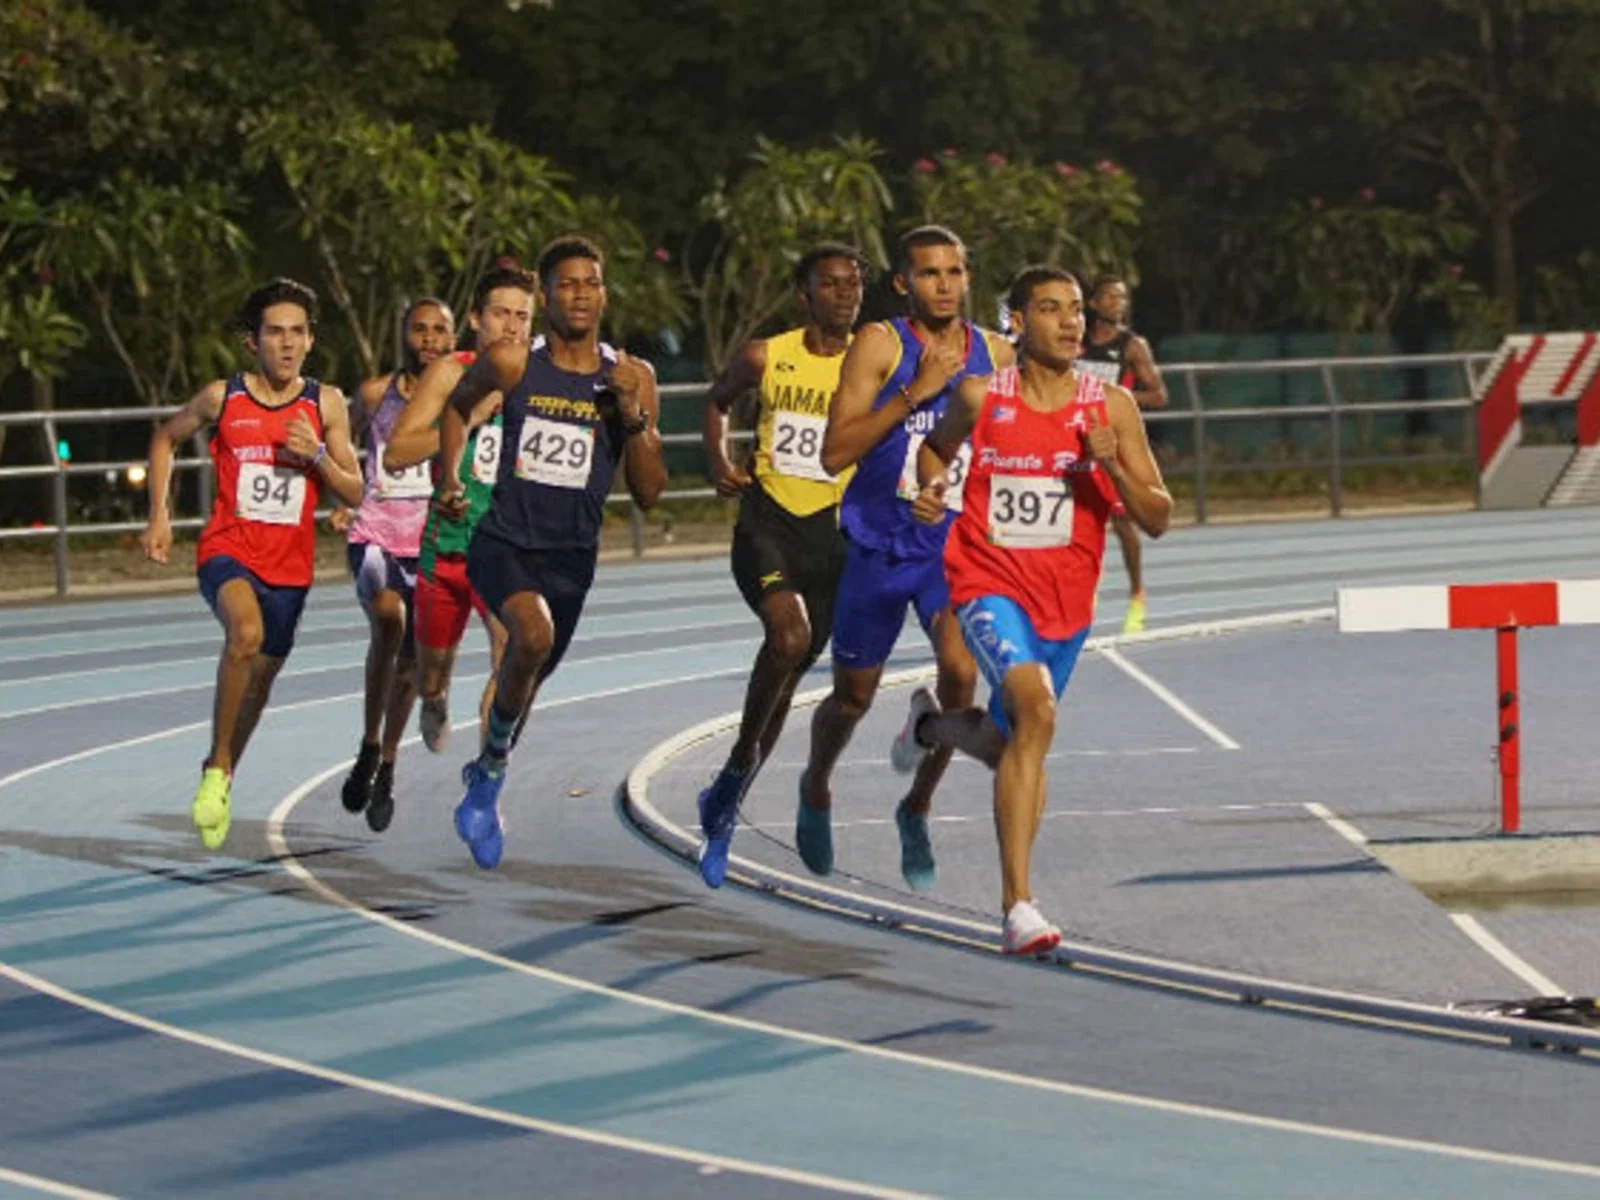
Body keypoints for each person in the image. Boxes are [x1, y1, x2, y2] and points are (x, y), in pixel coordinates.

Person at [697, 225, 1013, 890]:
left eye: (955, 272)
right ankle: (815, 784)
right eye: (929, 273)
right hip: (873, 545)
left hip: (949, 548)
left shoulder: (996, 352)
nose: (945, 285)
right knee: (850, 701)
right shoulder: (880, 344)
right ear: (904, 283)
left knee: (962, 676)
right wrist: (915, 392)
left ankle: (916, 805)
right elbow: (835, 452)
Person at [901, 265, 1171, 953]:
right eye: (1052, 309)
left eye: (1076, 309)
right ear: (1017, 323)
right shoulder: (982, 395)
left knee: (1012, 742)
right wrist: (931, 487)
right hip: (986, 582)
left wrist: (1111, 466)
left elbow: (1158, 517)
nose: (1071, 321)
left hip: (1065, 606)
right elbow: (934, 450)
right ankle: (1017, 906)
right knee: (1038, 711)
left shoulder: (1112, 407)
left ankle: (930, 726)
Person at [439, 236, 667, 869]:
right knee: (530, 637)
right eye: (567, 284)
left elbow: (649, 492)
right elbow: (456, 411)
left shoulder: (633, 376)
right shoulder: (513, 362)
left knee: (530, 675)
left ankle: (486, 771)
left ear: (605, 294)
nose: (580, 294)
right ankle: (491, 773)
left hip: (572, 558)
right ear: (544, 296)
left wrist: (630, 411)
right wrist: (448, 478)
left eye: (591, 283)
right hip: (503, 542)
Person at [140, 278, 364, 850]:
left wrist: (317, 455)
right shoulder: (223, 398)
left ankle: (223, 772)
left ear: (310, 341)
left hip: (290, 569)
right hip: (228, 549)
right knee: (244, 633)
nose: (286, 344)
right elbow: (165, 439)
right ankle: (217, 766)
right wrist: (159, 516)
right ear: (252, 341)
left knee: (260, 681)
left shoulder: (326, 404)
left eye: (297, 333)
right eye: (274, 332)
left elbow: (357, 491)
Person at [693, 244, 867, 886]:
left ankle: (727, 798)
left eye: (853, 284)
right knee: (788, 638)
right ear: (805, 294)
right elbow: (717, 401)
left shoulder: (872, 365)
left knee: (787, 684)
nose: (845, 294)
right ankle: (739, 762)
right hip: (768, 524)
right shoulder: (767, 355)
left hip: (836, 539)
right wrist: (719, 460)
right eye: (831, 284)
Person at [383, 263, 538, 754]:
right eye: (500, 314)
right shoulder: (450, 372)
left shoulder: (541, 379)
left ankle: (489, 769)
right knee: (430, 673)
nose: (511, 327)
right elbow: (396, 453)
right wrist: (465, 419)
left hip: (505, 546)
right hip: (447, 544)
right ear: (475, 318)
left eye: (522, 317)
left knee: (509, 651)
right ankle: (434, 698)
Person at [336, 297, 455, 832]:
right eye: (419, 329)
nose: (428, 339)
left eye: (438, 331)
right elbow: (342, 446)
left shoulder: (460, 402)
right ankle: (368, 743)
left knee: (409, 664)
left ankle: (384, 763)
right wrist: (343, 495)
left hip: (430, 537)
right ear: (403, 334)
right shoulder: (372, 394)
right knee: (389, 619)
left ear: (452, 340)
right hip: (375, 530)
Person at [1077, 276, 1168, 633]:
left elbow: (1158, 396)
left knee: (1123, 524)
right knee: (1076, 523)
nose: (1118, 304)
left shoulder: (1132, 346)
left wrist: (1113, 395)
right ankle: (1083, 594)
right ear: (1093, 303)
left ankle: (1136, 594)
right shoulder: (1076, 341)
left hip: (1112, 446)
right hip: (1074, 442)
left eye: (1123, 298)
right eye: (1111, 297)